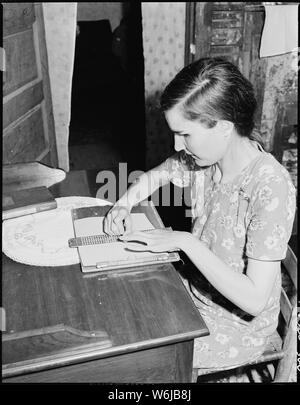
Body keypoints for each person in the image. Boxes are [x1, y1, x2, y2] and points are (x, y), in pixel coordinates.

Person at [103, 57, 296, 372]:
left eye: (185, 134)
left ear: (222, 127)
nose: (178, 145)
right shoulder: (205, 160)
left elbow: (254, 300)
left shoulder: (270, 186)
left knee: (135, 357)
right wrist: (123, 204)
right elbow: (155, 176)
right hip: (195, 292)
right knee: (123, 301)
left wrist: (185, 242)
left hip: (236, 328)